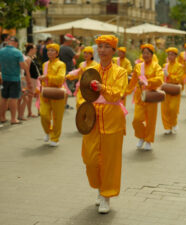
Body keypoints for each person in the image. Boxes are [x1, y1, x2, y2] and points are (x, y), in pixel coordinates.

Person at [81, 35, 128, 214]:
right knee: (91, 160)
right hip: (92, 120)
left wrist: (102, 88)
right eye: (99, 46)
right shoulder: (91, 70)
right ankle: (99, 188)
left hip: (112, 121)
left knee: (109, 162)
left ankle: (106, 196)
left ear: (113, 50)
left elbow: (118, 94)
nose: (102, 50)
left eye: (106, 47)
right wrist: (82, 112)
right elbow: (82, 94)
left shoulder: (120, 72)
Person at [127, 44, 164, 150]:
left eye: (148, 53)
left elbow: (160, 79)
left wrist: (147, 82)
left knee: (151, 121)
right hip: (140, 97)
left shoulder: (156, 66)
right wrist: (125, 92)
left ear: (152, 55)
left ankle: (148, 140)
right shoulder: (138, 66)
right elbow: (133, 81)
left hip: (151, 96)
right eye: (144, 53)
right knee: (137, 120)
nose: (145, 55)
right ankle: (141, 136)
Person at [0, 36, 32, 124]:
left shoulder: (1, 51)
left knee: (3, 98)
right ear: (16, 43)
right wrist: (26, 63)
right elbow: (23, 66)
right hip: (14, 79)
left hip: (4, 78)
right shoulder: (17, 52)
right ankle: (13, 119)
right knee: (13, 99)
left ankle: (2, 117)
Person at [39, 43, 66, 147]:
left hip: (57, 92)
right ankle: (48, 131)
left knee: (57, 118)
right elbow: (44, 78)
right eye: (48, 50)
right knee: (43, 114)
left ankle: (55, 138)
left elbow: (60, 78)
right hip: (46, 92)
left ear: (57, 53)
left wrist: (47, 77)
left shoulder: (61, 64)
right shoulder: (45, 64)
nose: (49, 52)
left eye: (52, 50)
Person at [161, 47, 184, 134]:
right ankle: (167, 127)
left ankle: (174, 123)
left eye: (172, 54)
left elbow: (178, 79)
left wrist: (169, 75)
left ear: (175, 56)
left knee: (173, 108)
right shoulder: (165, 66)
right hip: (166, 89)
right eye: (168, 54)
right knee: (165, 109)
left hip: (174, 90)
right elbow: (161, 77)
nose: (170, 56)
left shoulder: (179, 66)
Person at [59, 33, 83, 109]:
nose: (72, 42)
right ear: (68, 40)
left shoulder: (61, 47)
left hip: (62, 69)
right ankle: (64, 104)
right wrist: (80, 49)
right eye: (71, 41)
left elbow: (73, 53)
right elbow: (77, 56)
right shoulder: (67, 48)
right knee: (67, 88)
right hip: (68, 70)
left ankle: (63, 104)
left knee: (64, 87)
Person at [24, 43, 40, 117]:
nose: (36, 49)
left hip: (36, 78)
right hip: (31, 78)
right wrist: (29, 80)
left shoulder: (32, 57)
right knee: (30, 95)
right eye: (35, 48)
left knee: (37, 94)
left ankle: (39, 110)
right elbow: (26, 70)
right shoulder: (27, 58)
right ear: (31, 49)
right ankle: (29, 112)